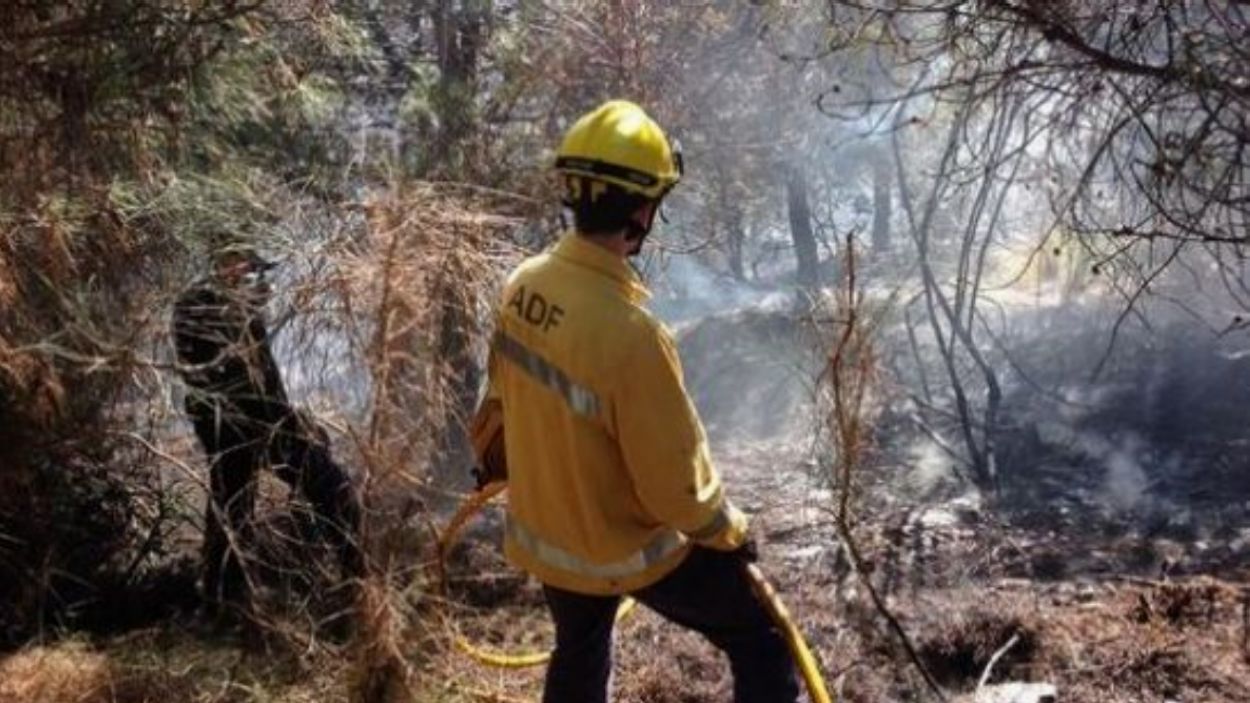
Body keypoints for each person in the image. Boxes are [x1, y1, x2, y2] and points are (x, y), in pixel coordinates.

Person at [472, 101, 800, 703]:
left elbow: (497, 403)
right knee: (763, 640)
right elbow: (673, 487)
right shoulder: (633, 335)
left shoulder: (525, 283)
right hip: (623, 546)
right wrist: (730, 533)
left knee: (580, 646)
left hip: (550, 534)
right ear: (644, 209)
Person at [172, 244, 363, 617]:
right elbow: (212, 374)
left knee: (244, 507)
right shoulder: (198, 304)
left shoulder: (237, 308)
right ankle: (224, 602)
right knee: (236, 509)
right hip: (231, 426)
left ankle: (354, 585)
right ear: (226, 264)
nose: (257, 280)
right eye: (249, 270)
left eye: (258, 273)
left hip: (262, 421)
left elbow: (265, 378)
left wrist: (293, 422)